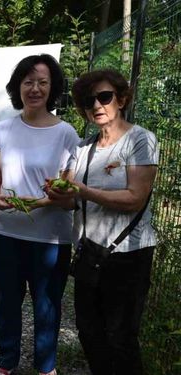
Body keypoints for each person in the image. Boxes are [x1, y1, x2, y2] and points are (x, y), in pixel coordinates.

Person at [49, 69, 158, 375]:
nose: (97, 105)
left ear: (121, 99)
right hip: (90, 253)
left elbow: (135, 197)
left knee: (121, 337)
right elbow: (71, 198)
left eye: (105, 96)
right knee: (89, 331)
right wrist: (54, 192)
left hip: (128, 255)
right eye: (88, 100)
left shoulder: (140, 140)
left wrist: (82, 190)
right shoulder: (83, 148)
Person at [0, 54, 80, 375]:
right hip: (3, 233)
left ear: (52, 88)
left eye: (42, 82)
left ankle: (46, 367)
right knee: (7, 303)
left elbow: (68, 190)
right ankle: (6, 362)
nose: (34, 88)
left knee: (47, 306)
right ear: (18, 87)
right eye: (28, 82)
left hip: (50, 237)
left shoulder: (67, 133)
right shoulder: (2, 130)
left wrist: (43, 201)